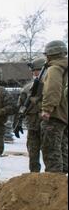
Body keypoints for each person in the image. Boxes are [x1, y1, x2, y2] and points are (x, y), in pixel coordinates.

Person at [40, 40, 68, 173]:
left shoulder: (55, 68)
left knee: (51, 149)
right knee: (63, 148)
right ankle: (63, 184)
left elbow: (53, 89)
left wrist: (47, 109)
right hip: (65, 116)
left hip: (55, 115)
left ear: (49, 54)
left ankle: (54, 182)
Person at [16, 57, 47, 172]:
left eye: (37, 70)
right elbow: (20, 107)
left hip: (49, 125)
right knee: (33, 154)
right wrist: (18, 122)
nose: (35, 73)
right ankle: (34, 178)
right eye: (34, 71)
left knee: (50, 153)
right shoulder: (27, 88)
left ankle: (54, 179)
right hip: (32, 126)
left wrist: (38, 103)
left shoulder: (53, 85)